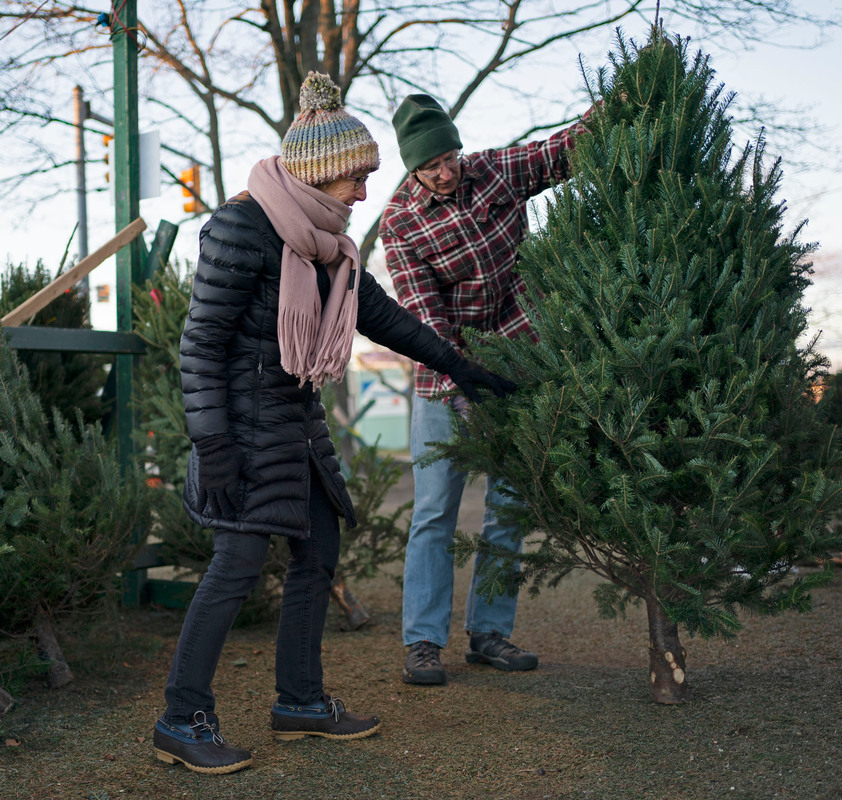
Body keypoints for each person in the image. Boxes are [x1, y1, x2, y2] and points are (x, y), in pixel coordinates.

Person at [152, 72, 517, 775]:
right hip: (240, 432)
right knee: (235, 569)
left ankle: (300, 701)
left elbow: (383, 316)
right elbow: (199, 345)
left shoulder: (330, 249)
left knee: (318, 558)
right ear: (320, 174)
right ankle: (181, 717)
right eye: (355, 178)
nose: (364, 192)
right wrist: (214, 445)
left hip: (296, 429)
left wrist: (459, 366)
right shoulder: (240, 229)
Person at [379, 92, 590, 686]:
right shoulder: (400, 221)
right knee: (434, 512)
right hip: (446, 373)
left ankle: (489, 632)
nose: (447, 171)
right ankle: (423, 641)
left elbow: (560, 151)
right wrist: (467, 374)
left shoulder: (493, 171)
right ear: (411, 168)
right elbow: (424, 314)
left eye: (450, 156)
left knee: (510, 507)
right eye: (432, 165)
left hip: (522, 352)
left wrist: (617, 106)